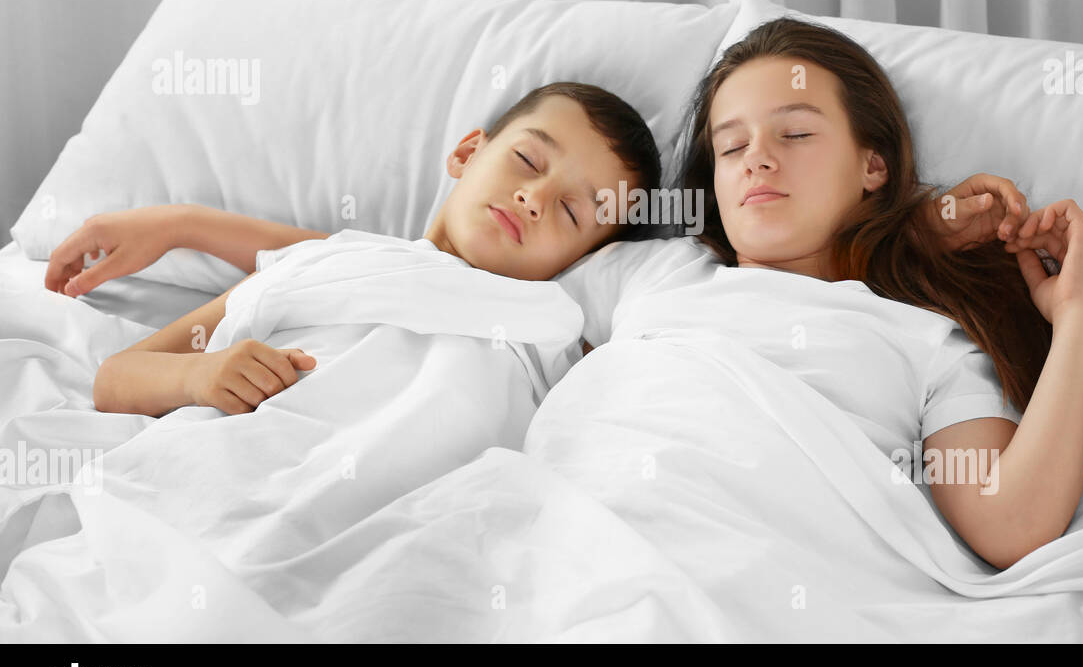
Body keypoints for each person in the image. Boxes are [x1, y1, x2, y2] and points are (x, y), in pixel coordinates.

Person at [544, 16, 1083, 569]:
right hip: (569, 542)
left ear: (874, 165)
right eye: (732, 147)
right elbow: (488, 289)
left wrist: (1077, 315)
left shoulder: (926, 341)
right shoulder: (656, 271)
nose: (759, 160)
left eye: (794, 134)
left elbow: (1010, 526)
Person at [86, 82, 661, 418]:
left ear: (580, 261)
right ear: (467, 153)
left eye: (570, 212)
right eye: (528, 161)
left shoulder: (550, 329)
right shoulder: (324, 264)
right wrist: (200, 376)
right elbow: (116, 377)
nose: (534, 198)